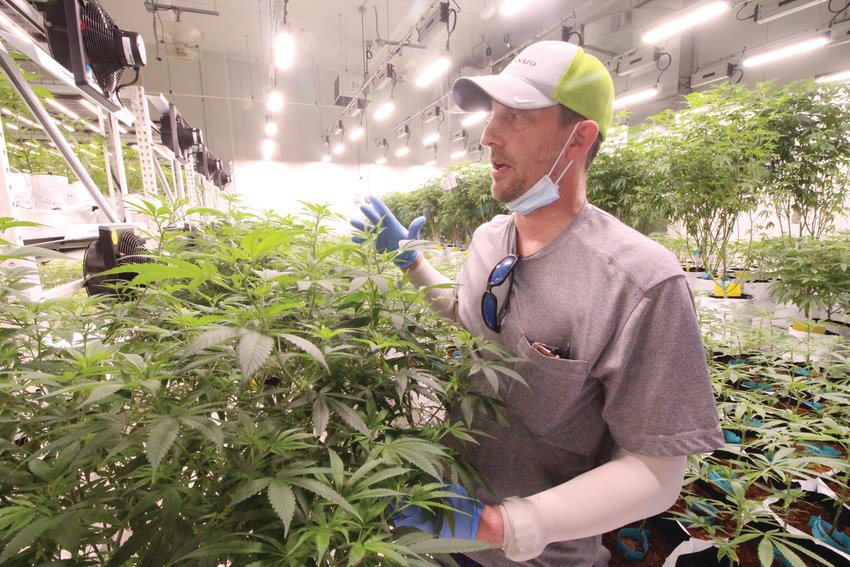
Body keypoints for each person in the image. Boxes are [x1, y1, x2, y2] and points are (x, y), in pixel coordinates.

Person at [351, 40, 723, 566]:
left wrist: (500, 524)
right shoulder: (488, 238)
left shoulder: (641, 282)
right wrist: (413, 265)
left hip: (540, 556)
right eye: (492, 116)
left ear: (579, 138)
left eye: (516, 117)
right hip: (443, 521)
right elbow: (468, 313)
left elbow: (656, 475)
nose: (488, 136)